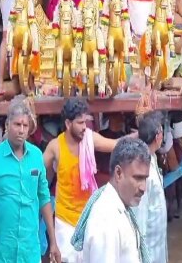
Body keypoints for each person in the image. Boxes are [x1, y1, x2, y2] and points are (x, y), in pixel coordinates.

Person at [0, 99, 59, 263]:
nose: (21, 130)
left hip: (30, 252)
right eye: (17, 124)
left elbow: (44, 199)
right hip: (2, 253)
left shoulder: (36, 156)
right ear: (7, 125)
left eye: (25, 126)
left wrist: (53, 242)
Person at [42, 98, 122, 262]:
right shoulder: (55, 146)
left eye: (85, 122)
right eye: (80, 123)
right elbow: (40, 176)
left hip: (89, 217)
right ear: (68, 123)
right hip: (65, 222)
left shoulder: (90, 138)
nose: (84, 127)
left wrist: (139, 136)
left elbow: (115, 144)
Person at [71, 138, 151, 262]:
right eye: (138, 178)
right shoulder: (106, 220)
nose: (143, 188)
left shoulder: (119, 208)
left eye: (145, 179)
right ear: (118, 173)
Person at [134, 111, 168, 263]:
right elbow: (140, 213)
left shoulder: (151, 158)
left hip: (157, 238)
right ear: (158, 136)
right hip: (148, 245)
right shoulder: (144, 169)